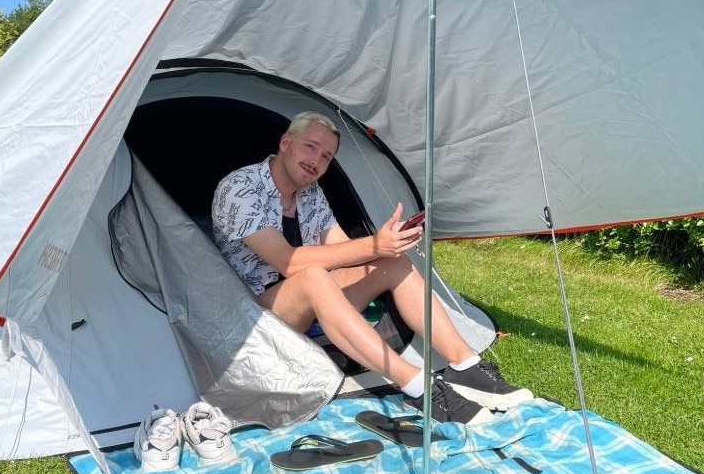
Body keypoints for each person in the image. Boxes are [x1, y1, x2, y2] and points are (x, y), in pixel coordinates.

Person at [211, 111, 533, 424]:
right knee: (312, 277)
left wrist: (389, 245)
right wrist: (373, 244)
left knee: (392, 264)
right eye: (310, 147)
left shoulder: (310, 192)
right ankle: (419, 387)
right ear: (285, 143)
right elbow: (287, 261)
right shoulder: (240, 189)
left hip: (308, 303)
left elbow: (341, 250)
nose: (316, 161)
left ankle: (466, 366)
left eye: (326, 156)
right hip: (253, 318)